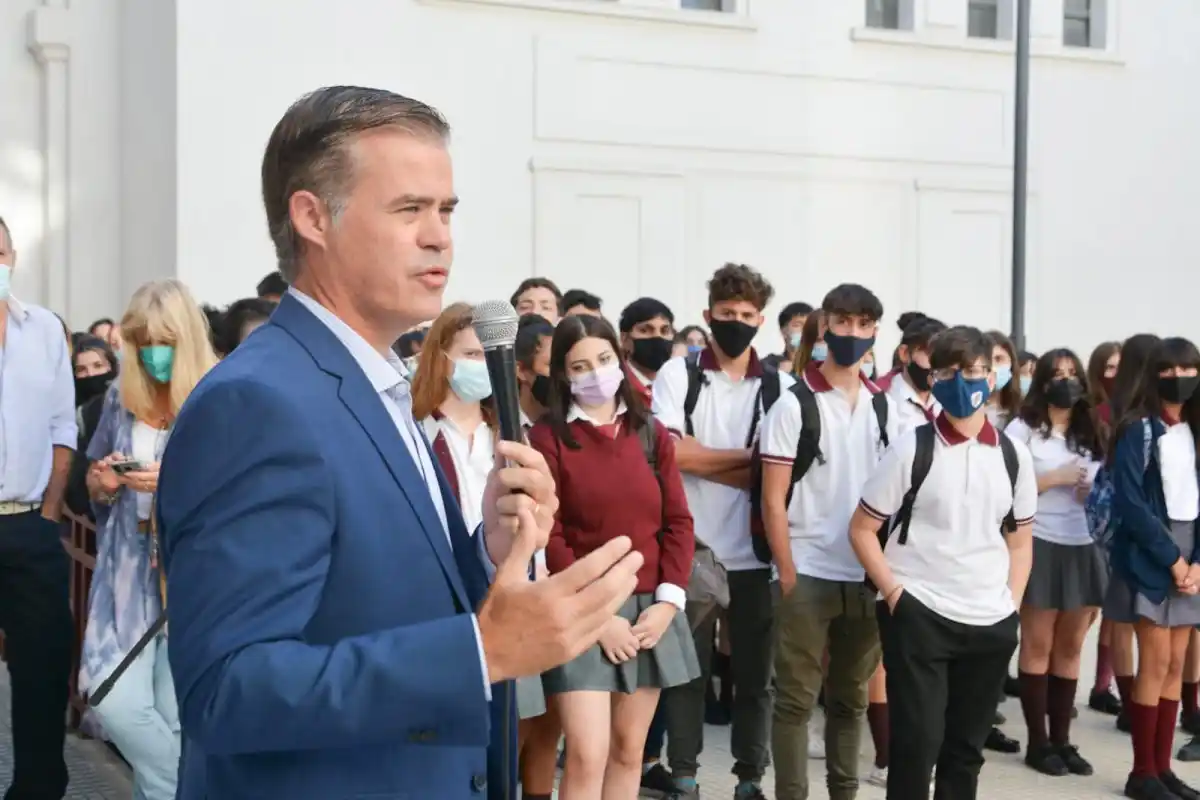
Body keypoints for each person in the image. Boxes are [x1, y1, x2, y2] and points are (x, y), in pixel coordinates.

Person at [155, 86, 643, 800]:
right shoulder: (257, 402)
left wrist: (487, 553)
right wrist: (480, 653)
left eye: (446, 211)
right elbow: (227, 689)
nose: (440, 236)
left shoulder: (376, 378)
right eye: (409, 210)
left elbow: (387, 601)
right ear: (312, 216)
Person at [849, 325, 1036, 800]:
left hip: (990, 620)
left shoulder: (1013, 454)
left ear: (992, 377)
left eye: (976, 371)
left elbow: (1020, 542)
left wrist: (1010, 609)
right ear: (933, 378)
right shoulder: (913, 447)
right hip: (920, 614)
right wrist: (895, 595)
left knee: (965, 751)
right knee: (916, 746)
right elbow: (862, 529)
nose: (966, 381)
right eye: (952, 371)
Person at [530, 314, 700, 799]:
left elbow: (678, 523)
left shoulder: (650, 433)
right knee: (586, 753)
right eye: (579, 365)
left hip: (649, 610)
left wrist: (667, 603)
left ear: (619, 358)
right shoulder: (549, 439)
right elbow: (551, 535)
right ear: (562, 374)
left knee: (630, 751)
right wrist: (597, 616)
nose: (595, 373)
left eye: (603, 359)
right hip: (582, 608)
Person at [653, 262, 793, 800]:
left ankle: (749, 778)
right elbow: (670, 455)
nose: (736, 322)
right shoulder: (679, 375)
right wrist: (752, 463)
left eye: (747, 315)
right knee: (688, 673)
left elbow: (784, 469)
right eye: (727, 313)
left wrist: (700, 459)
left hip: (755, 553)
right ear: (708, 315)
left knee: (757, 678)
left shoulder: (781, 385)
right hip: (692, 548)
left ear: (761, 320)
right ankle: (684, 775)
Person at [82, 279, 219, 800]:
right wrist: (104, 481)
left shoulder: (216, 394)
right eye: (141, 342)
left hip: (188, 573)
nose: (153, 354)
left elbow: (235, 486)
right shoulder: (120, 397)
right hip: (125, 568)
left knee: (174, 715)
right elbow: (92, 483)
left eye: (164, 341)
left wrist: (171, 479)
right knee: (112, 697)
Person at [759, 284, 897, 800]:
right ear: (825, 328)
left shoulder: (887, 407)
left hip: (862, 573)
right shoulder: (794, 404)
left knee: (851, 700)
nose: (853, 333)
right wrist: (788, 572)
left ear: (875, 331)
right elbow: (773, 499)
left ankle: (845, 792)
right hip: (807, 570)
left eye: (864, 325)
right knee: (795, 701)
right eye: (843, 322)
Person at [0, 213, 76, 800]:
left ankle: (38, 788)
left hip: (28, 524)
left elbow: (60, 426)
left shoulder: (45, 328)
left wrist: (50, 511)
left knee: (43, 670)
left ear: (13, 255)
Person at [1104, 336, 1200, 800]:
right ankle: (1142, 771)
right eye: (1169, 370)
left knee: (1177, 662)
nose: (1179, 380)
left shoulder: (1195, 429)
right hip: (1152, 551)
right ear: (1153, 374)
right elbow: (1132, 502)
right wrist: (1174, 559)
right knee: (1155, 659)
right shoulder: (1137, 428)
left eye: (1189, 371)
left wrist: (1196, 561)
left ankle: (1162, 769)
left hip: (1192, 553)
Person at [1007, 348, 1107, 778]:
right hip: (1040, 541)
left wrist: (1091, 491)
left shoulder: (1094, 430)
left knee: (1071, 647)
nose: (1065, 381)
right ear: (1042, 382)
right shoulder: (1023, 429)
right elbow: (1008, 485)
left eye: (1072, 374)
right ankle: (1038, 741)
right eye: (1056, 374)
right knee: (1038, 644)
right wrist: (1053, 479)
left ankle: (1063, 740)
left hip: (1084, 543)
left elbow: (1107, 482)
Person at [619, 297, 676, 406]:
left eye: (665, 331)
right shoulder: (615, 388)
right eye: (645, 330)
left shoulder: (682, 384)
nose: (657, 337)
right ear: (625, 339)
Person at [762, 301, 813, 371]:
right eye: (797, 325)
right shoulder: (769, 365)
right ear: (783, 332)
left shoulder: (822, 366)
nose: (805, 330)